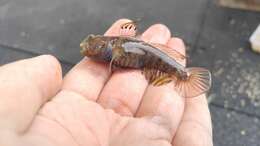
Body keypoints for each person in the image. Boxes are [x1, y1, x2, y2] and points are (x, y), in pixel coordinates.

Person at [0, 19, 213, 146]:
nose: (87, 47)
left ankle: (181, 74)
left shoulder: (117, 49)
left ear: (107, 47)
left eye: (94, 45)